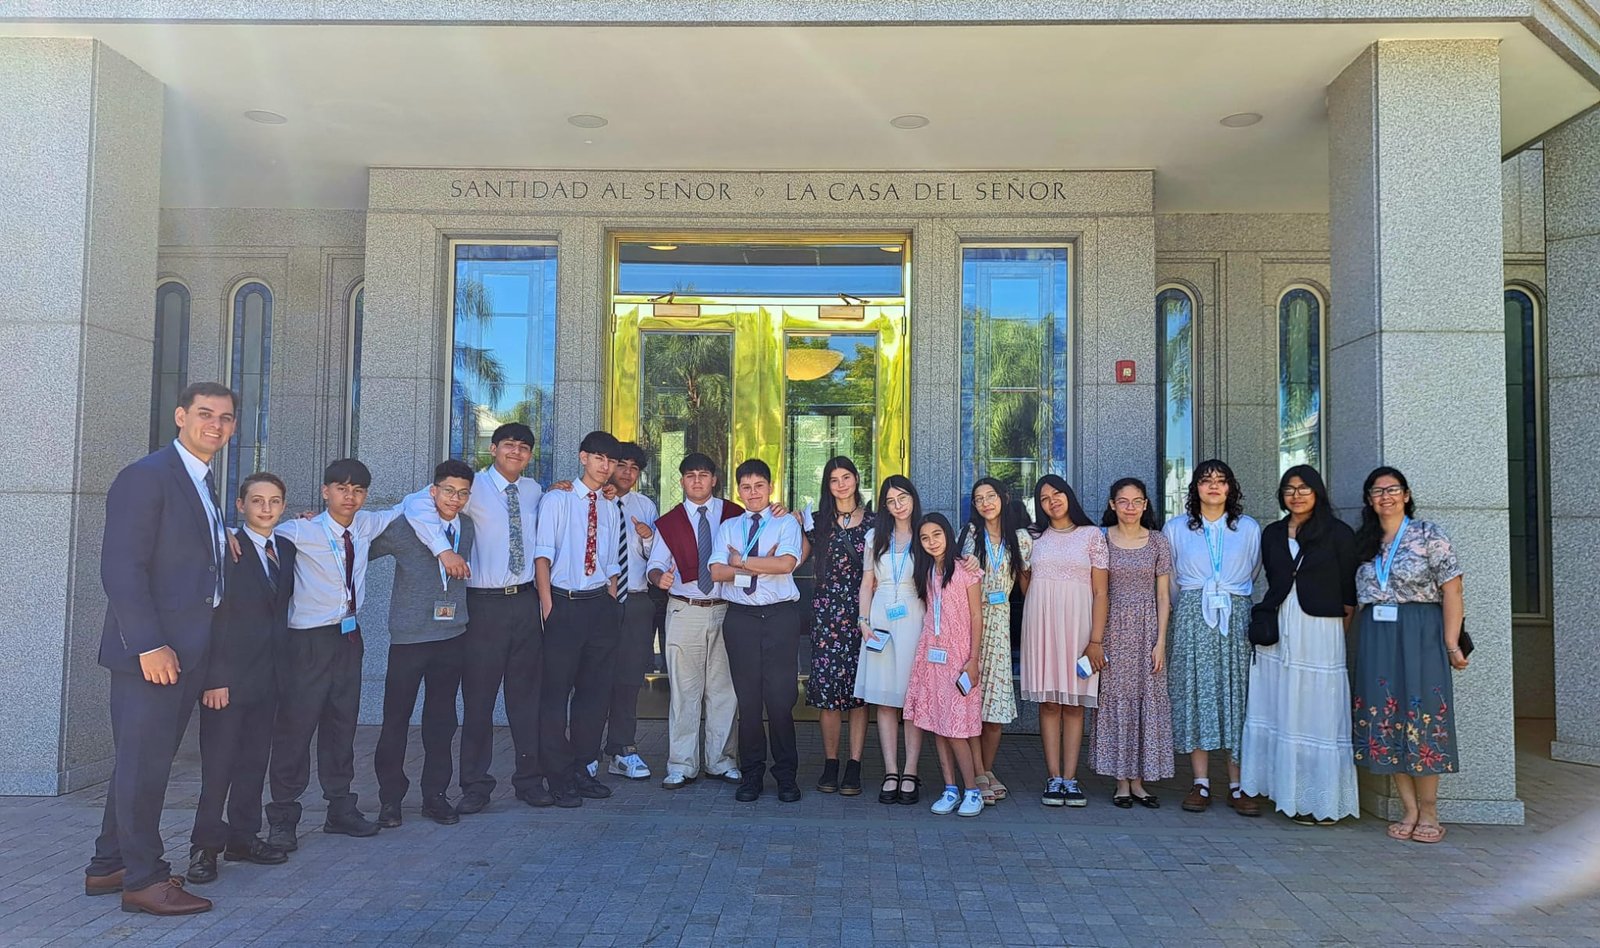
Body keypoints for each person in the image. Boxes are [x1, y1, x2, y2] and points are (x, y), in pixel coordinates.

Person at [88, 382, 237, 916]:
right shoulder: (146, 476)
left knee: (140, 763)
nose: (214, 425)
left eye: (225, 418)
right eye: (204, 414)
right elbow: (121, 568)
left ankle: (110, 865)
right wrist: (149, 644)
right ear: (180, 416)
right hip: (152, 656)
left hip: (188, 653)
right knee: (143, 768)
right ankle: (145, 881)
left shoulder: (203, 481)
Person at [402, 422, 545, 814]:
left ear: (531, 455)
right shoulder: (472, 487)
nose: (516, 452)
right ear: (494, 448)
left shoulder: (534, 491)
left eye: (524, 448)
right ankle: (476, 785)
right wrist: (441, 551)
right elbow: (414, 504)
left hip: (526, 602)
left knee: (525, 698)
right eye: (509, 445)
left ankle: (529, 780)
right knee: (479, 699)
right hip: (483, 606)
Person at [266, 458, 408, 849]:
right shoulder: (299, 530)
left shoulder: (364, 525)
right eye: (342, 488)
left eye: (358, 490)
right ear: (325, 491)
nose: (350, 496)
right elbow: (256, 535)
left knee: (342, 724)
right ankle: (283, 816)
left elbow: (408, 506)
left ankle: (340, 808)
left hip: (348, 639)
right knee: (296, 728)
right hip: (306, 642)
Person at [185, 471, 294, 886]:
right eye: (257, 501)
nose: (266, 508)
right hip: (225, 682)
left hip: (268, 679)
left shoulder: (286, 548)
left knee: (253, 763)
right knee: (219, 767)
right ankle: (204, 847)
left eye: (274, 501)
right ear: (241, 506)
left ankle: (243, 838)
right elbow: (214, 618)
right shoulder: (225, 548)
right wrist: (213, 678)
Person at [1351, 466, 1468, 844]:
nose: (1385, 496)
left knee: (1422, 713)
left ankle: (1431, 811)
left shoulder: (1428, 534)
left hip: (1420, 632)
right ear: (1369, 499)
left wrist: (1451, 643)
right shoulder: (1365, 542)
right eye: (1377, 491)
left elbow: (1452, 590)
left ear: (1406, 494)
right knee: (1387, 715)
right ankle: (1409, 809)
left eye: (1392, 489)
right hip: (1377, 635)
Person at [1240, 465, 1360, 825]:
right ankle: (1280, 791)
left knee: (1316, 707)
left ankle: (1320, 802)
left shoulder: (1338, 533)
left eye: (1304, 487)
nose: (1296, 494)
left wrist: (1339, 631)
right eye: (1289, 488)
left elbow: (1348, 592)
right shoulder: (1273, 533)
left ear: (1318, 492)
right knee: (1278, 703)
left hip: (1320, 627)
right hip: (1278, 626)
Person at [369, 460, 476, 828]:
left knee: (442, 721)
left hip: (451, 637)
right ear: (432, 492)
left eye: (463, 493)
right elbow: (361, 545)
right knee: (395, 720)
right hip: (410, 639)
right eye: (448, 491)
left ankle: (436, 796)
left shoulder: (467, 527)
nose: (455, 499)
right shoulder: (406, 525)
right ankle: (390, 800)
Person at [1162, 460, 1262, 817]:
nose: (1214, 487)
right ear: (1196, 489)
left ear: (1231, 488)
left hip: (1235, 616)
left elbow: (1252, 569)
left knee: (1237, 694)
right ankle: (1201, 781)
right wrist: (1192, 604)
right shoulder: (1176, 528)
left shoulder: (1248, 528)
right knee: (1197, 693)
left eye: (1221, 481)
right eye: (1206, 481)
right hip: (1192, 615)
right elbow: (1170, 578)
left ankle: (1238, 784)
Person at [534, 431, 623, 807]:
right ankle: (558, 775)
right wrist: (547, 605)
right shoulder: (557, 498)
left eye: (611, 461)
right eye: (599, 458)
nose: (605, 466)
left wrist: (612, 596)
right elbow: (542, 555)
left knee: (594, 694)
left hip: (599, 606)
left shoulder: (609, 505)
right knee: (555, 696)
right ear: (583, 457)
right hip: (563, 604)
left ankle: (584, 767)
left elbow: (611, 561)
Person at [710, 459, 806, 803]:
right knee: (749, 704)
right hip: (741, 619)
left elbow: (786, 565)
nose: (753, 493)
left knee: (780, 702)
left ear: (770, 487)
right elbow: (717, 572)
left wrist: (741, 562)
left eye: (759, 486)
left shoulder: (784, 523)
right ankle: (751, 775)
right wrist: (757, 566)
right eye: (746, 487)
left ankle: (786, 777)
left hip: (779, 618)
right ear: (739, 490)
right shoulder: (729, 527)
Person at [647, 453, 744, 789]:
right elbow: (655, 563)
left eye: (704, 475)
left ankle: (721, 761)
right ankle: (681, 764)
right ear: (682, 481)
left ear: (714, 479)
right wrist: (658, 576)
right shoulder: (669, 522)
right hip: (684, 608)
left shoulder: (735, 514)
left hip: (726, 608)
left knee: (723, 690)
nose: (698, 481)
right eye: (691, 475)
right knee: (685, 692)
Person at [1020, 475, 1108, 808]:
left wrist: (1096, 640)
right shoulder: (1034, 538)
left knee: (1073, 704)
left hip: (1079, 627)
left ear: (1069, 495)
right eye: (1044, 498)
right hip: (1041, 624)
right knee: (1049, 703)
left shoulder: (1092, 536)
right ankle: (1053, 777)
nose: (1052, 501)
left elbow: (1100, 592)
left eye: (1057, 493)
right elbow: (1028, 586)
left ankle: (1071, 779)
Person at [1090, 477, 1174, 809]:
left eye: (1136, 501)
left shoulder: (1157, 542)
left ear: (1145, 505)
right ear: (1112, 505)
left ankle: (1139, 781)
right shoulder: (1101, 539)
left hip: (1147, 629)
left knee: (1146, 700)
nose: (1129, 507)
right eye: (1122, 501)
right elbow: (1096, 591)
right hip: (1111, 629)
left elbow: (1164, 595)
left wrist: (1161, 642)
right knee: (1116, 700)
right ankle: (1121, 781)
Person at [902, 514, 986, 818]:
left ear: (948, 535)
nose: (931, 542)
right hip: (931, 656)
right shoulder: (926, 572)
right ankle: (950, 788)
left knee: (956, 729)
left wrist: (973, 659)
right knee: (937, 725)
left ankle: (972, 790)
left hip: (959, 657)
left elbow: (977, 616)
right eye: (924, 538)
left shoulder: (965, 570)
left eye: (936, 535)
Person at [956, 477, 1032, 805]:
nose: (986, 503)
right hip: (971, 625)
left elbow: (1029, 584)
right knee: (971, 705)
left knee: (995, 709)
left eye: (991, 496)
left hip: (1001, 627)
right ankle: (976, 774)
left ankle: (986, 769)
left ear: (1003, 498)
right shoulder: (970, 536)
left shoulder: (1021, 539)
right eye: (978, 499)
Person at [855, 476, 927, 805]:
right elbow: (867, 582)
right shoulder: (875, 536)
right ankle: (890, 770)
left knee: (911, 699)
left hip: (915, 616)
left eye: (903, 497)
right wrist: (863, 620)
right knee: (884, 699)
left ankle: (911, 771)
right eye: (891, 501)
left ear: (913, 498)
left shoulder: (927, 534)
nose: (898, 505)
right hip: (881, 618)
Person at [804, 456, 871, 795]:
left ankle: (855, 765)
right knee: (829, 694)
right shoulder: (817, 522)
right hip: (827, 614)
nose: (842, 484)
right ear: (827, 486)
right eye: (834, 479)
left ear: (857, 480)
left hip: (864, 615)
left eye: (847, 477)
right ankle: (831, 763)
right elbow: (794, 555)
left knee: (859, 694)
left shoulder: (876, 521)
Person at [600, 442, 659, 780]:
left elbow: (655, 557)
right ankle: (586, 750)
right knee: (592, 677)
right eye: (621, 465)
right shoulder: (591, 500)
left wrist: (648, 537)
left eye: (635, 468)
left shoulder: (644, 505)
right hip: (598, 601)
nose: (627, 473)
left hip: (636, 599)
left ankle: (623, 748)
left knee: (629, 679)